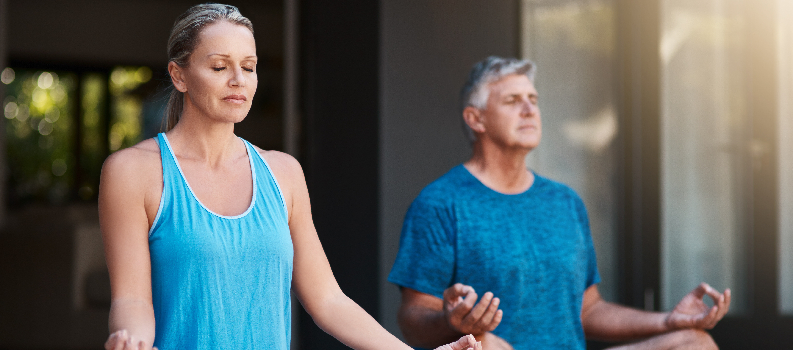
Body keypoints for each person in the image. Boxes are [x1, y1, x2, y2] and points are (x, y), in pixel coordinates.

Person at [99, 4, 482, 350]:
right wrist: (131, 341)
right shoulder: (133, 172)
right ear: (179, 76)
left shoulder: (283, 172)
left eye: (248, 67)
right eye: (219, 67)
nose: (239, 80)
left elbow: (328, 301)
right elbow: (132, 300)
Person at [387, 56, 732, 350]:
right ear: (475, 119)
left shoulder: (565, 202)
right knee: (486, 342)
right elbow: (413, 318)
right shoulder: (440, 203)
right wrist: (453, 322)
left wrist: (668, 320)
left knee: (693, 342)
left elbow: (588, 311)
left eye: (533, 99)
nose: (528, 109)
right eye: (512, 101)